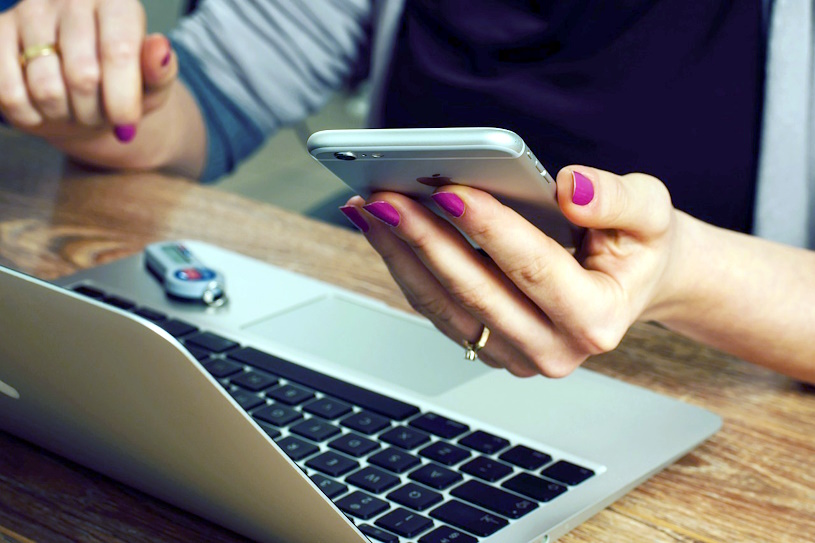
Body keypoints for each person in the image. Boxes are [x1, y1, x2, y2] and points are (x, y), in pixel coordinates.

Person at [1, 0, 813, 384]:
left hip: (726, 407)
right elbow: (210, 102)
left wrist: (682, 271)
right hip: (397, 358)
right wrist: (102, 98)